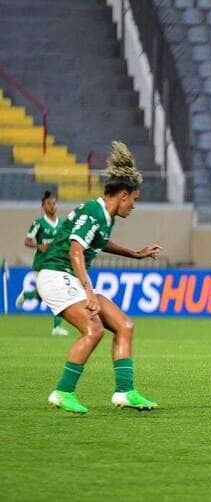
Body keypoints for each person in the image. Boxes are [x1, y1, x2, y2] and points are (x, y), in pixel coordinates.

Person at [38, 141, 162, 414]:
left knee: (124, 325)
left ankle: (125, 392)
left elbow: (101, 242)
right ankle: (62, 392)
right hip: (57, 276)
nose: (134, 206)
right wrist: (90, 292)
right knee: (93, 330)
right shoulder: (94, 212)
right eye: (134, 200)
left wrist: (136, 254)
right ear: (124, 195)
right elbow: (75, 251)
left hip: (69, 278)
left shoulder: (106, 216)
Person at [15, 191, 69, 336]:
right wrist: (38, 246)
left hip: (57, 264)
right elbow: (27, 241)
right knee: (45, 295)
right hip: (41, 263)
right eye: (49, 204)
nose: (52, 206)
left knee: (58, 293)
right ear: (43, 206)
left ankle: (57, 328)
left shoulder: (62, 224)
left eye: (54, 203)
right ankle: (28, 295)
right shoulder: (38, 223)